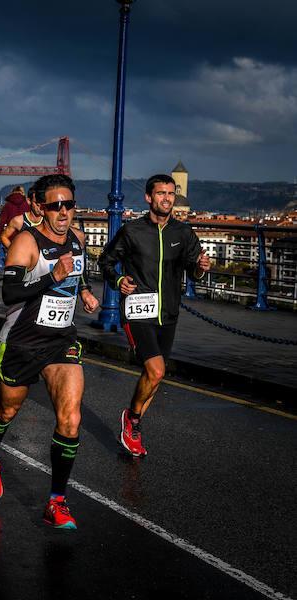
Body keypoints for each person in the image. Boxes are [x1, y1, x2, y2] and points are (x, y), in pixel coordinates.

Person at [0, 174, 99, 530]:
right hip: (21, 342)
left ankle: (56, 502)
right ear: (41, 207)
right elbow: (9, 294)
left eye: (68, 205)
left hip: (61, 342)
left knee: (71, 418)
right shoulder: (25, 242)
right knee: (8, 409)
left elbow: (80, 274)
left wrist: (88, 292)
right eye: (55, 205)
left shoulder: (78, 240)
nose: (63, 212)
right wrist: (51, 276)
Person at [98, 173, 210, 457]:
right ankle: (132, 420)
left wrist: (201, 266)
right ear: (149, 197)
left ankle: (132, 424)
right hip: (137, 310)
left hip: (168, 313)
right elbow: (106, 261)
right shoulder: (132, 231)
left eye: (171, 194)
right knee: (156, 370)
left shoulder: (182, 233)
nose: (167, 199)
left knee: (156, 377)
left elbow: (194, 269)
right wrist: (118, 280)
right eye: (161, 193)